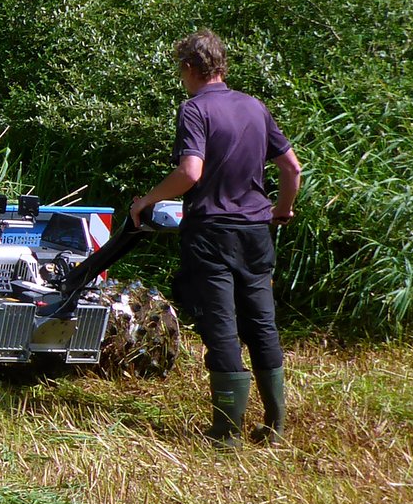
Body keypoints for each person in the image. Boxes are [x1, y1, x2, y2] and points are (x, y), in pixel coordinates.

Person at [129, 31, 302, 444]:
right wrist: (282, 209)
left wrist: (146, 201)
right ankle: (275, 427)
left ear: (189, 68)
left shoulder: (194, 110)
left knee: (222, 327)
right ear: (221, 65)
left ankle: (226, 434)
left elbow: (191, 172)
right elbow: (291, 168)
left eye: (181, 70)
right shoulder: (254, 107)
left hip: (211, 234)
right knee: (262, 323)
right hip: (257, 233)